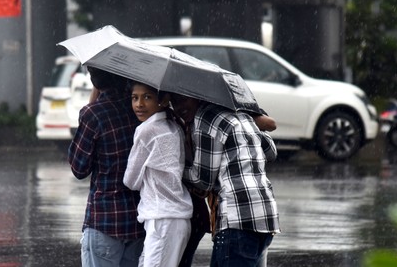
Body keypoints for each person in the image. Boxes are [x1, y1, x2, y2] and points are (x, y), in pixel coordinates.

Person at [170, 94, 280, 267]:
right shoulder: (243, 115)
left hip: (237, 220)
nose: (179, 107)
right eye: (174, 102)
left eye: (184, 100)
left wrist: (175, 170)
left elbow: (202, 179)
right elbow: (271, 152)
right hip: (265, 215)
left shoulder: (205, 119)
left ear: (198, 98)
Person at [68, 66, 145, 267]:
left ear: (94, 81)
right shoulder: (139, 109)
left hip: (105, 221)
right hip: (138, 221)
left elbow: (79, 168)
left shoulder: (93, 114)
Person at [123, 81, 193, 267]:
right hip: (173, 219)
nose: (139, 104)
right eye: (134, 98)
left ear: (162, 101)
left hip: (163, 220)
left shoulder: (146, 130)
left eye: (147, 97)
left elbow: (130, 181)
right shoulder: (174, 127)